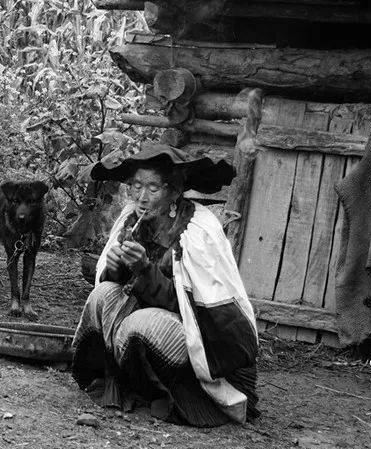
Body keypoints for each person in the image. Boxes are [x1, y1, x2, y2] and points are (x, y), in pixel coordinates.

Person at [71, 144, 259, 427]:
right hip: (147, 328)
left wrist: (145, 269)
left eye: (153, 188)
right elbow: (117, 287)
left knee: (141, 324)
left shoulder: (196, 230)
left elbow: (193, 311)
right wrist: (114, 265)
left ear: (173, 191)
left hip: (205, 348)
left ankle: (172, 396)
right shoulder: (131, 219)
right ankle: (122, 385)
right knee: (103, 295)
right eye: (135, 187)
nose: (141, 198)